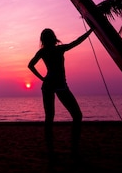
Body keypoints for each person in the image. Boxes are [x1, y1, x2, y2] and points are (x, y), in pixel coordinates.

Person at [28, 28, 92, 160]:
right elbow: (76, 42)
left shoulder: (43, 51)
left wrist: (42, 78)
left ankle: (51, 149)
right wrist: (90, 31)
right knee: (77, 115)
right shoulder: (59, 49)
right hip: (59, 85)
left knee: (49, 117)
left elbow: (30, 65)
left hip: (48, 85)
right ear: (53, 37)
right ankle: (73, 149)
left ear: (43, 40)